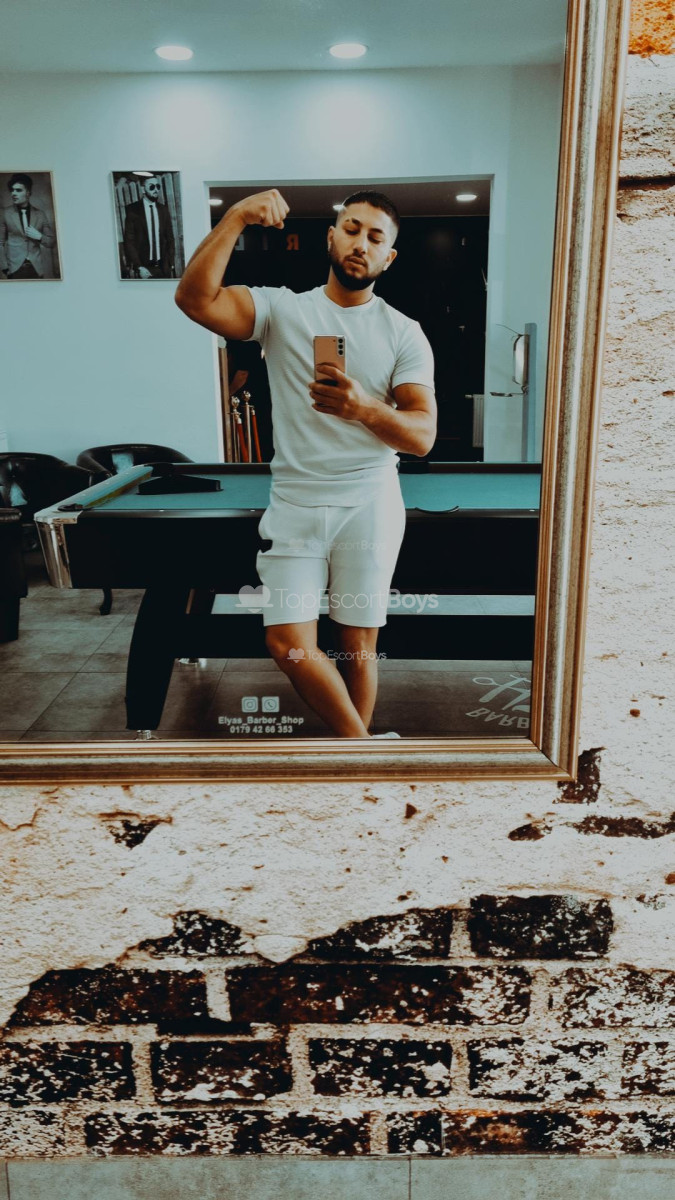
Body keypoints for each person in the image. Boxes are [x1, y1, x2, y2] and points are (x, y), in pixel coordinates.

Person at [175, 188, 437, 738]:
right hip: (295, 502)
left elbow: (422, 436)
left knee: (357, 644)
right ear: (331, 237)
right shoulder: (281, 310)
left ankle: (352, 764)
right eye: (352, 229)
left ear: (389, 256)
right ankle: (365, 753)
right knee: (286, 640)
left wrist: (364, 408)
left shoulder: (403, 331)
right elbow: (195, 300)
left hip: (369, 502)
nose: (360, 244)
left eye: (375, 237)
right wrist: (236, 217)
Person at [0, 174, 57, 280]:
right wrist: (4, 268)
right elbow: (0, 242)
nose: (13, 193)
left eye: (18, 190)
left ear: (28, 193)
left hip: (37, 269)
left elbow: (51, 241)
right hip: (14, 268)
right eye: (12, 190)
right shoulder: (5, 213)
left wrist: (40, 237)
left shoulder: (40, 214)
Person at [122, 176, 175, 279]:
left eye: (158, 186)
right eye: (151, 187)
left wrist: (170, 262)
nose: (156, 190)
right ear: (143, 189)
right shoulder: (133, 210)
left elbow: (170, 238)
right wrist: (139, 267)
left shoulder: (163, 210)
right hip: (144, 269)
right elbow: (129, 241)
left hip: (163, 267)